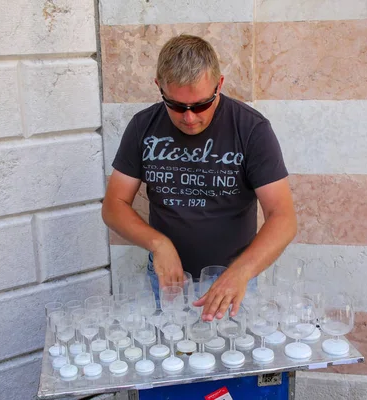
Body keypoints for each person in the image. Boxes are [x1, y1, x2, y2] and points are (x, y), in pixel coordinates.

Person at [102, 34, 297, 321]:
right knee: (167, 359)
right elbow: (113, 205)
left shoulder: (251, 129)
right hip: (166, 280)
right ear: (159, 87)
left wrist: (240, 273)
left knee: (231, 359)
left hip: (231, 281)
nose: (190, 118)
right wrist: (158, 244)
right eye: (177, 106)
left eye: (202, 105)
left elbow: (283, 217)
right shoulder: (143, 126)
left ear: (219, 84)